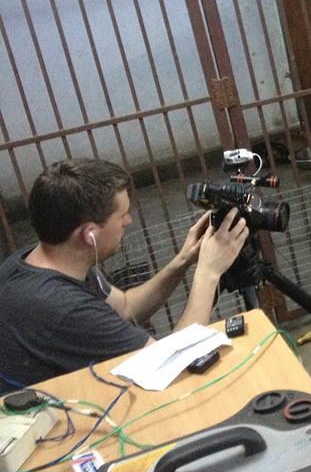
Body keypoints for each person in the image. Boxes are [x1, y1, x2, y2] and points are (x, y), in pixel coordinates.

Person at [0, 158, 248, 391]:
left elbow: (127, 308)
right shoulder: (63, 307)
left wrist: (183, 261)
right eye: (122, 215)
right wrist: (208, 272)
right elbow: (173, 368)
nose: (128, 221)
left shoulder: (40, 260)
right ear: (90, 234)